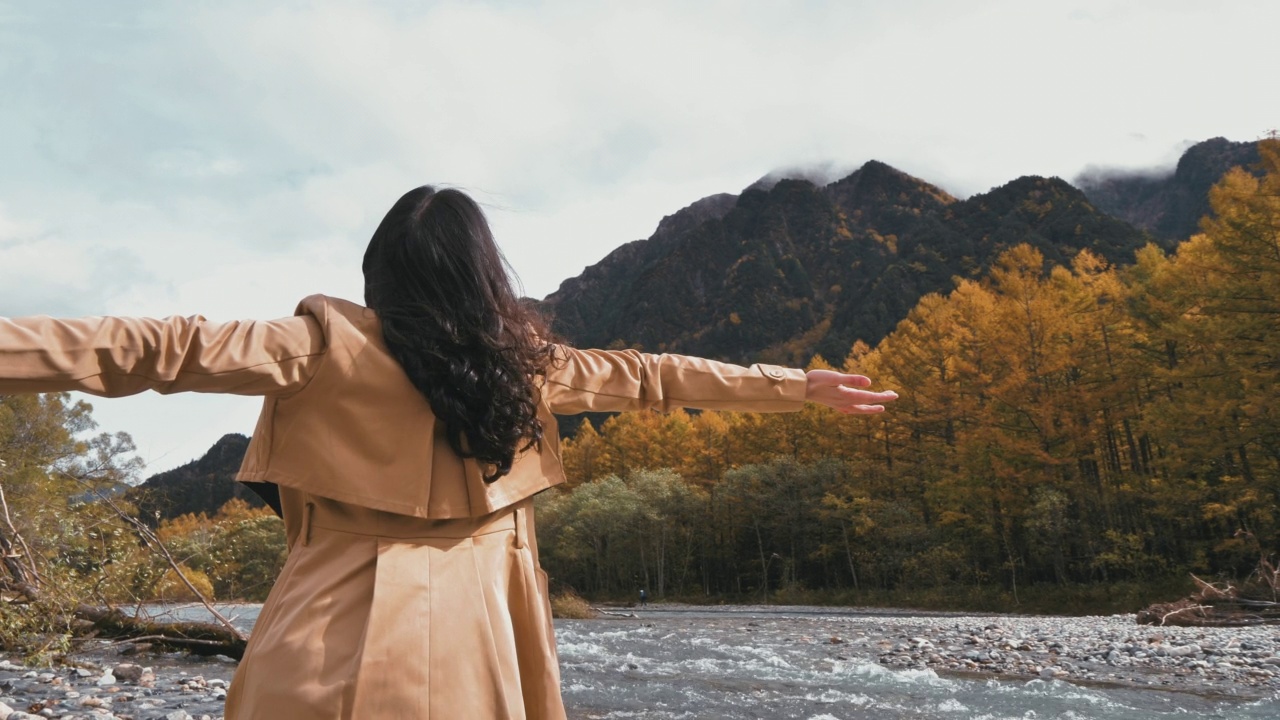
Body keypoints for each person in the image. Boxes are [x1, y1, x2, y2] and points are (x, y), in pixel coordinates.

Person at [0, 186, 898, 719]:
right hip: (481, 633)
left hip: (323, 637)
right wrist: (794, 386)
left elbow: (148, 348)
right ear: (483, 271)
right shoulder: (530, 369)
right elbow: (654, 376)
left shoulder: (314, 346)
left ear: (378, 272)